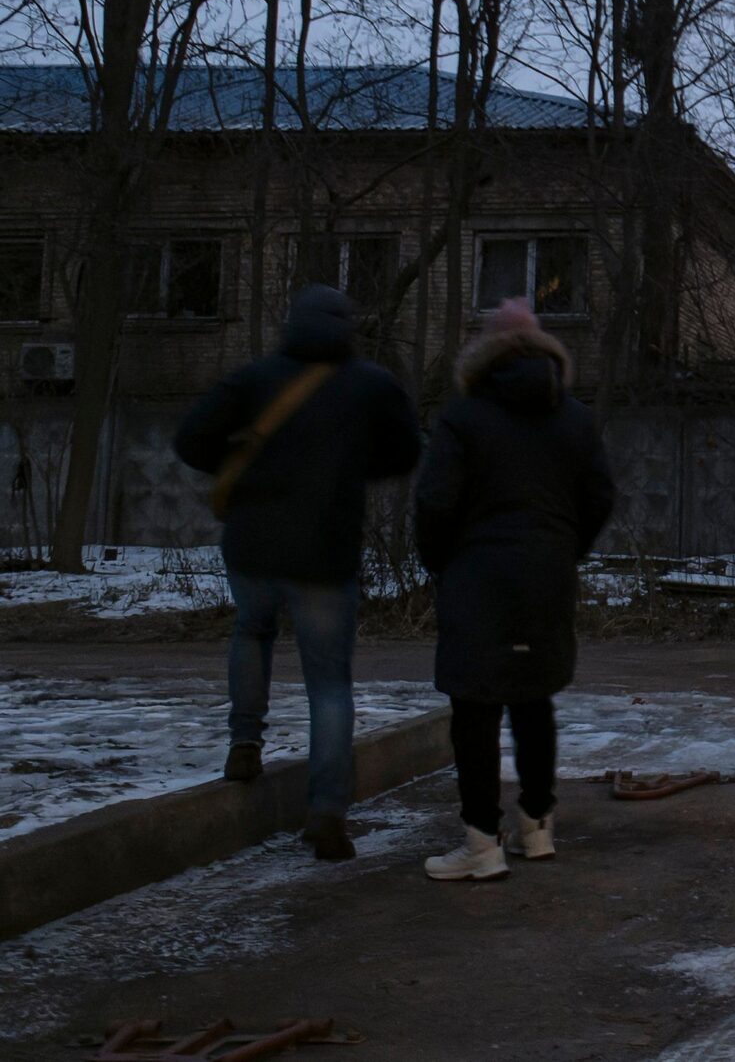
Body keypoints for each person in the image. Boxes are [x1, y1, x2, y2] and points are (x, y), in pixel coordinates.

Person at [174, 284, 422, 861]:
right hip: (325, 554)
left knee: (251, 631)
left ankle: (243, 744)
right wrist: (352, 466)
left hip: (253, 546)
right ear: (347, 327)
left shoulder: (256, 378)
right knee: (329, 685)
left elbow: (190, 438)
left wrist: (242, 462)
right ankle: (327, 811)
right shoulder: (371, 385)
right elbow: (407, 453)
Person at [412, 298, 616, 881]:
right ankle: (537, 826)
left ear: (484, 353)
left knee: (474, 707)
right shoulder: (573, 417)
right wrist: (563, 549)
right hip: (546, 575)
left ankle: (481, 844)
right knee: (533, 697)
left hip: (477, 576)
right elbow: (600, 496)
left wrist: (442, 562)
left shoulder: (463, 416)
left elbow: (434, 501)